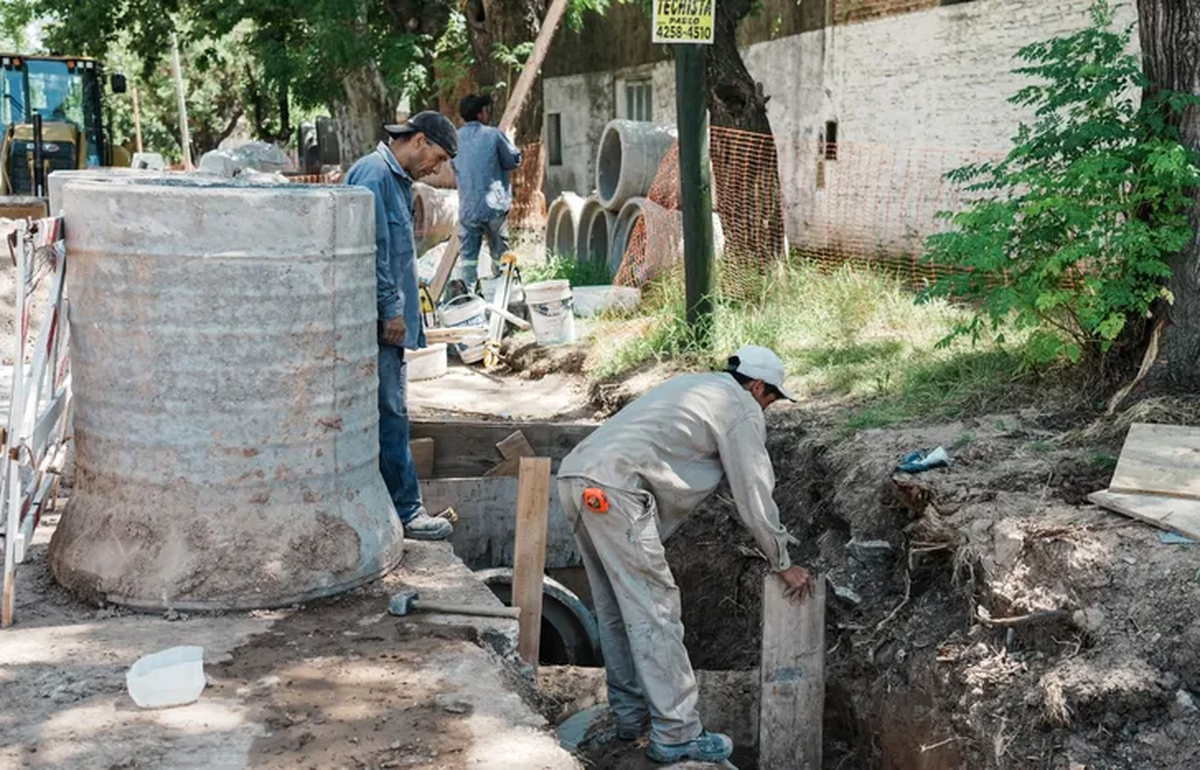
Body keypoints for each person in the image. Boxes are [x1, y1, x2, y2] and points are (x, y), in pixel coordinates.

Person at [556, 345, 814, 764]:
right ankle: (676, 731)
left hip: (577, 478)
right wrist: (781, 560)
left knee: (617, 610)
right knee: (655, 611)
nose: (769, 408)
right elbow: (754, 494)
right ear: (758, 385)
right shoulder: (742, 407)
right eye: (772, 398)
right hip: (617, 490)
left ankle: (632, 718)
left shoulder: (694, 385)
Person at [346, 111, 459, 541]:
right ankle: (407, 511)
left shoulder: (392, 179)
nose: (438, 167)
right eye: (439, 156)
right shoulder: (374, 176)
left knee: (386, 411)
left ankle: (387, 508)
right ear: (417, 141)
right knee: (391, 412)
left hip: (386, 321)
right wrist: (391, 309)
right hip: (378, 323)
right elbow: (370, 252)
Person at [451, 93, 523, 290]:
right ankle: (502, 294)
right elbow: (513, 161)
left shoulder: (454, 139)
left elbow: (455, 168)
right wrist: (511, 142)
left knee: (468, 259)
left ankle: (471, 296)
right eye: (486, 111)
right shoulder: (493, 135)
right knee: (501, 255)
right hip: (494, 208)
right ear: (481, 113)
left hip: (468, 208)